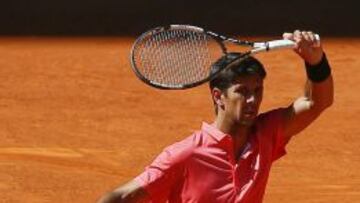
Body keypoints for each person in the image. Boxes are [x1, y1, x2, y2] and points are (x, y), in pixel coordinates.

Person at [97, 30, 333, 203]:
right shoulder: (184, 155)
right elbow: (122, 196)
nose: (252, 100)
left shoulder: (266, 134)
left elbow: (316, 102)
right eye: (242, 92)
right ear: (218, 96)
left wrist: (316, 61)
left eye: (257, 90)